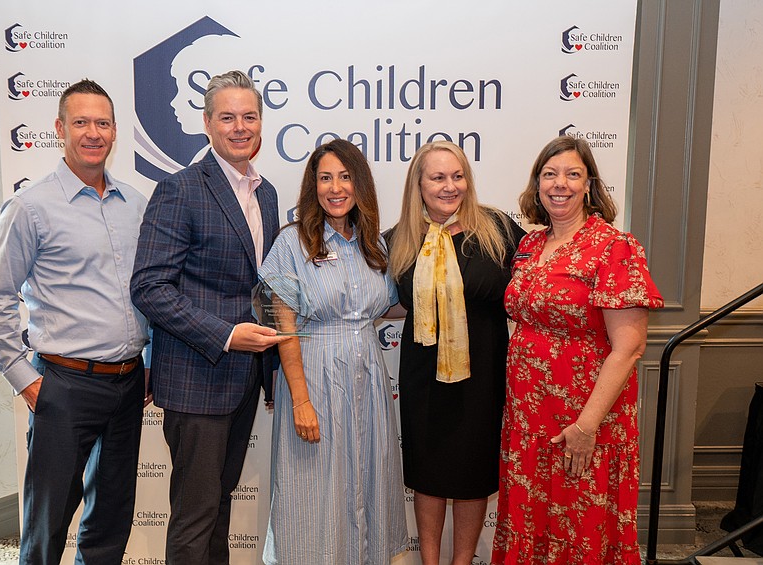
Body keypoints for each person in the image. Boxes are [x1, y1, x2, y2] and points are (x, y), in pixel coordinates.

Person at [0, 79, 149, 565]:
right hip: (63, 385)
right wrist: (28, 383)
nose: (92, 133)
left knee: (112, 517)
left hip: (128, 382)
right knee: (48, 523)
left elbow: (147, 294)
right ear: (59, 129)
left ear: (115, 131)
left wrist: (150, 360)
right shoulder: (30, 207)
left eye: (102, 123)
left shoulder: (136, 205)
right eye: (80, 122)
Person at [130, 70, 287, 565]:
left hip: (246, 378)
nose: (240, 127)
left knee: (219, 506)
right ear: (206, 123)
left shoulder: (266, 193)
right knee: (195, 516)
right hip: (198, 376)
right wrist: (224, 335)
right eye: (227, 117)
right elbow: (149, 287)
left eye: (250, 116)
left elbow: (260, 284)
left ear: (261, 122)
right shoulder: (180, 189)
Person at [491, 136, 664, 564]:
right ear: (536, 185)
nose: (559, 184)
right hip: (528, 418)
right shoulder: (530, 246)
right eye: (549, 174)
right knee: (532, 520)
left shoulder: (615, 248)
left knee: (579, 523)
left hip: (586, 417)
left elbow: (629, 347)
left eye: (573, 174)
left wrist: (586, 428)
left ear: (589, 185)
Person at [259, 139, 408, 564]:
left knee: (367, 482)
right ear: (313, 186)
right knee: (313, 493)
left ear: (360, 185)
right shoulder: (292, 244)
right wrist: (301, 401)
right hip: (315, 378)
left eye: (345, 177)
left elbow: (389, 303)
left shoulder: (373, 243)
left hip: (369, 379)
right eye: (325, 178)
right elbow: (284, 329)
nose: (336, 187)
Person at [387, 141, 525, 565]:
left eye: (457, 176)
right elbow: (379, 300)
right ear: (419, 184)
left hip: (481, 376)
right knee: (428, 474)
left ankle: (462, 562)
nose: (450, 186)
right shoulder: (398, 240)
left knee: (473, 473)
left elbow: (538, 288)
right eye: (438, 177)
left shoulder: (499, 230)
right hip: (422, 377)